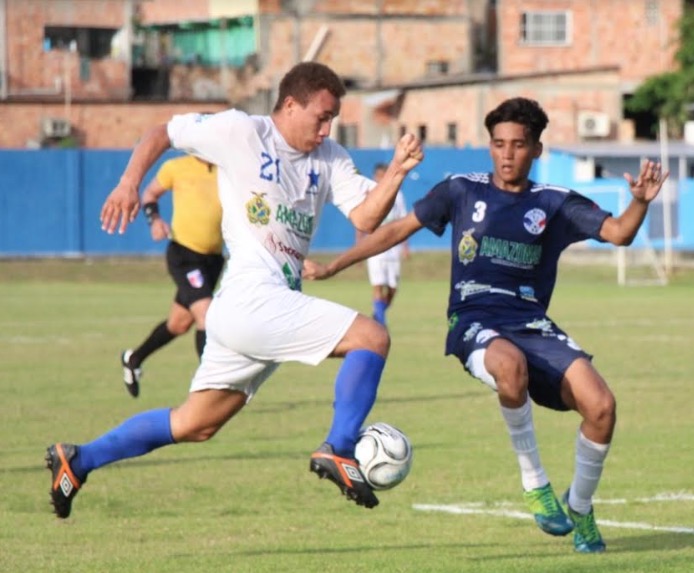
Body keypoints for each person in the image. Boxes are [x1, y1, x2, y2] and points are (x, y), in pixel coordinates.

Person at [45, 61, 424, 519]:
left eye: (332, 120)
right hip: (251, 299)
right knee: (373, 337)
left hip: (253, 310)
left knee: (194, 424)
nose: (327, 129)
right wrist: (130, 183)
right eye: (320, 116)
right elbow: (162, 131)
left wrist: (398, 171)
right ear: (289, 104)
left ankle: (79, 459)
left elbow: (366, 218)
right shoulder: (240, 131)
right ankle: (340, 448)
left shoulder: (330, 159)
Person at [303, 97, 668, 554]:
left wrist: (638, 202)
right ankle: (535, 483)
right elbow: (396, 230)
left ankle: (580, 505)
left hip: (532, 323)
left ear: (536, 149)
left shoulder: (553, 202)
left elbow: (619, 233)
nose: (507, 154)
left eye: (518, 145)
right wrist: (337, 265)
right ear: (489, 146)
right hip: (474, 319)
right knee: (509, 366)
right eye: (498, 144)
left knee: (602, 406)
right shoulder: (460, 190)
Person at [120, 154, 224, 398]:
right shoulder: (176, 167)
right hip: (184, 255)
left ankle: (133, 359)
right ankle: (210, 385)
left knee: (179, 324)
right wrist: (154, 220)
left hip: (214, 259)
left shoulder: (226, 168)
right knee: (206, 315)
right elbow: (150, 194)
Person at [356, 162, 409, 326]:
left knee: (392, 288)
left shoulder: (397, 195)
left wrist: (405, 246)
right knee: (378, 285)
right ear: (374, 176)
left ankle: (378, 314)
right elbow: (360, 222)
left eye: (383, 175)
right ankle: (380, 323)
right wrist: (359, 247)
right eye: (378, 176)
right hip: (374, 246)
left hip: (393, 247)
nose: (380, 179)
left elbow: (403, 221)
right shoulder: (368, 194)